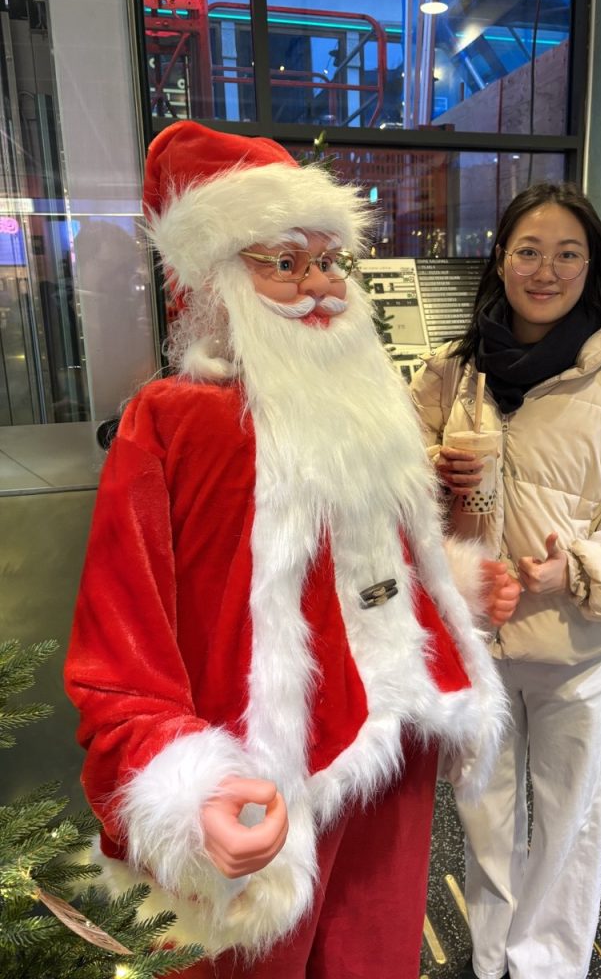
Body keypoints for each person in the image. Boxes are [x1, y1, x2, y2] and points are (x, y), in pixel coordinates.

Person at [64, 121, 522, 979]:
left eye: (326, 260)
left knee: (377, 956)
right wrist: (184, 787)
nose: (319, 288)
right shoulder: (170, 423)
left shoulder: (358, 402)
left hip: (397, 747)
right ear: (212, 279)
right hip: (258, 789)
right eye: (283, 262)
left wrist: (450, 592)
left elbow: (366, 572)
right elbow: (116, 654)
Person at [410, 182, 601, 979]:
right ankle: (492, 955)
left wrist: (580, 567)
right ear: (500, 260)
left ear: (592, 265)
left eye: (568, 253)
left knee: (571, 819)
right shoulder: (449, 376)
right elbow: (381, 491)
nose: (547, 269)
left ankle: (548, 964)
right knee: (485, 814)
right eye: (529, 250)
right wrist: (429, 475)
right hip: (474, 649)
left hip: (572, 644)